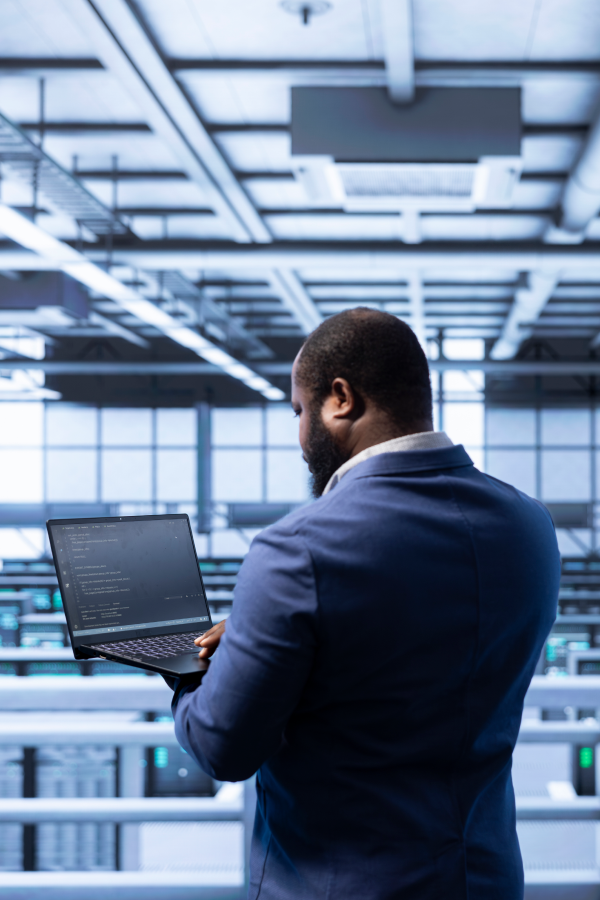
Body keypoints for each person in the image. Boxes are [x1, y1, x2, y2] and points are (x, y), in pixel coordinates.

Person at [167, 308, 560, 900]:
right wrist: (261, 635)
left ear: (340, 399)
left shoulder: (296, 549)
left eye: (300, 411)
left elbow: (224, 747)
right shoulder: (529, 525)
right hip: (485, 880)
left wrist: (184, 666)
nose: (300, 437)